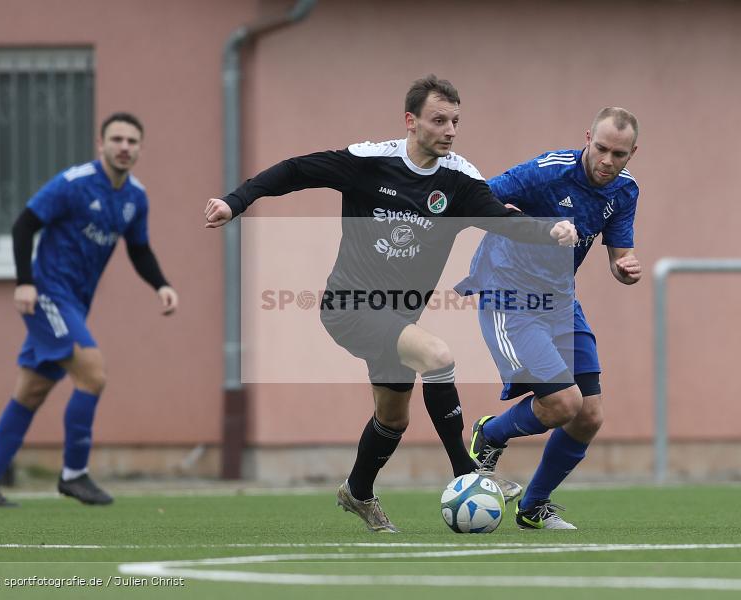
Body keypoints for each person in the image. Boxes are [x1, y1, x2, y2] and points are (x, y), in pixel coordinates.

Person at [204, 74, 578, 533]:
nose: (450, 130)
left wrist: (550, 230)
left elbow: (500, 219)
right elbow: (296, 171)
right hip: (349, 306)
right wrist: (236, 201)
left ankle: (357, 492)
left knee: (393, 418)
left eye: (456, 121)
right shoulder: (369, 161)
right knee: (438, 355)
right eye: (439, 120)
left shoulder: (459, 180)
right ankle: (468, 472)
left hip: (399, 316)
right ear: (411, 121)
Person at [0, 112, 178, 507]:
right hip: (47, 294)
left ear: (140, 149)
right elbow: (23, 225)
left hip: (75, 303)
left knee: (31, 391)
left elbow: (139, 248)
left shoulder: (135, 198)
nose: (124, 147)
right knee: (93, 373)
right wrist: (24, 282)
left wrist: (161, 285)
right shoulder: (73, 184)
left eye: (132, 141)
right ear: (101, 144)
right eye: (116, 139)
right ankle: (74, 474)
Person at [456, 107, 641, 530]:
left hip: (560, 301)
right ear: (587, 138)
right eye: (601, 148)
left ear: (633, 153)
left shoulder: (625, 192)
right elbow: (477, 200)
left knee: (589, 415)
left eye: (619, 154)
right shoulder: (546, 172)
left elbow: (619, 255)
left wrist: (626, 269)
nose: (607, 161)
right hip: (509, 296)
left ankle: (533, 506)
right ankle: (491, 435)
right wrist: (537, 226)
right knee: (562, 403)